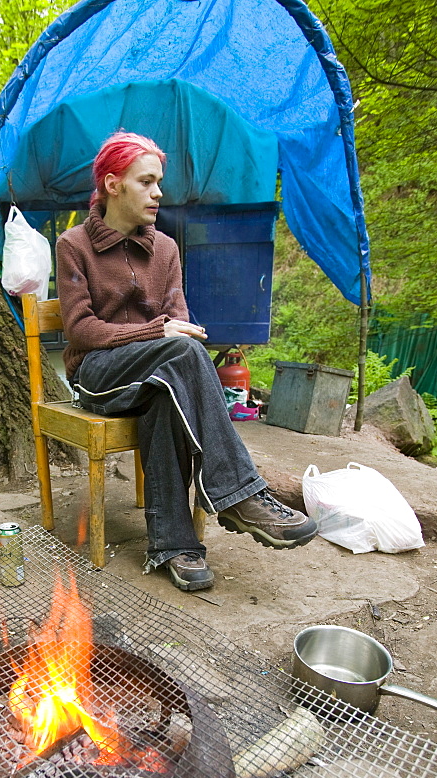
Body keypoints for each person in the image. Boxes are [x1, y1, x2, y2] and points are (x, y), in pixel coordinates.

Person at [55, 132, 317, 592]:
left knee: (167, 394)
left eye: (160, 182)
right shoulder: (73, 244)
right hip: (99, 376)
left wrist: (169, 331)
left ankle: (176, 545)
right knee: (179, 351)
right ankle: (239, 495)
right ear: (113, 184)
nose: (159, 193)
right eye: (147, 182)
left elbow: (178, 319)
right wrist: (156, 332)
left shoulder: (167, 249)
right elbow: (80, 331)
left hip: (158, 376)